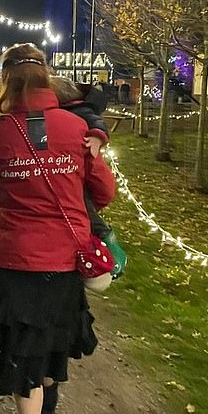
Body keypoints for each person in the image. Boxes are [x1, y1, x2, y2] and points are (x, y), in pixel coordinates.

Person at [0, 43, 115, 414]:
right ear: (46, 77)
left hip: (15, 259)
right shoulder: (76, 128)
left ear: (5, 80)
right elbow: (104, 192)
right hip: (62, 258)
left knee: (24, 350)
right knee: (51, 337)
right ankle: (47, 408)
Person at [50, 76, 127, 282]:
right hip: (75, 172)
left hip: (79, 173)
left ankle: (111, 253)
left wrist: (97, 136)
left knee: (89, 214)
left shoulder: (80, 111)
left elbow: (98, 123)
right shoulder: (70, 111)